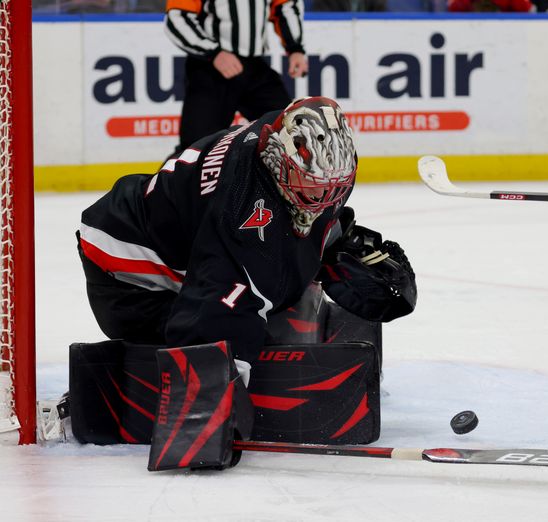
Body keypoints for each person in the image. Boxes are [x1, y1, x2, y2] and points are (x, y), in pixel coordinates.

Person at [77, 96, 417, 362]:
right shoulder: (240, 209)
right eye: (313, 188)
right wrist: (209, 405)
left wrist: (335, 244)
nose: (323, 198)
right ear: (280, 159)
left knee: (279, 296)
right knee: (252, 325)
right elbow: (213, 313)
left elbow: (301, 223)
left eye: (332, 188)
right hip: (127, 276)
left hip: (183, 231)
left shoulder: (283, 139)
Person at [164, 0, 310, 154]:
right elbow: (177, 18)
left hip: (254, 67)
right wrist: (213, 53)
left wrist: (295, 48)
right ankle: (156, 179)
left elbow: (284, 6)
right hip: (210, 68)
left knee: (289, 133)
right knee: (196, 149)